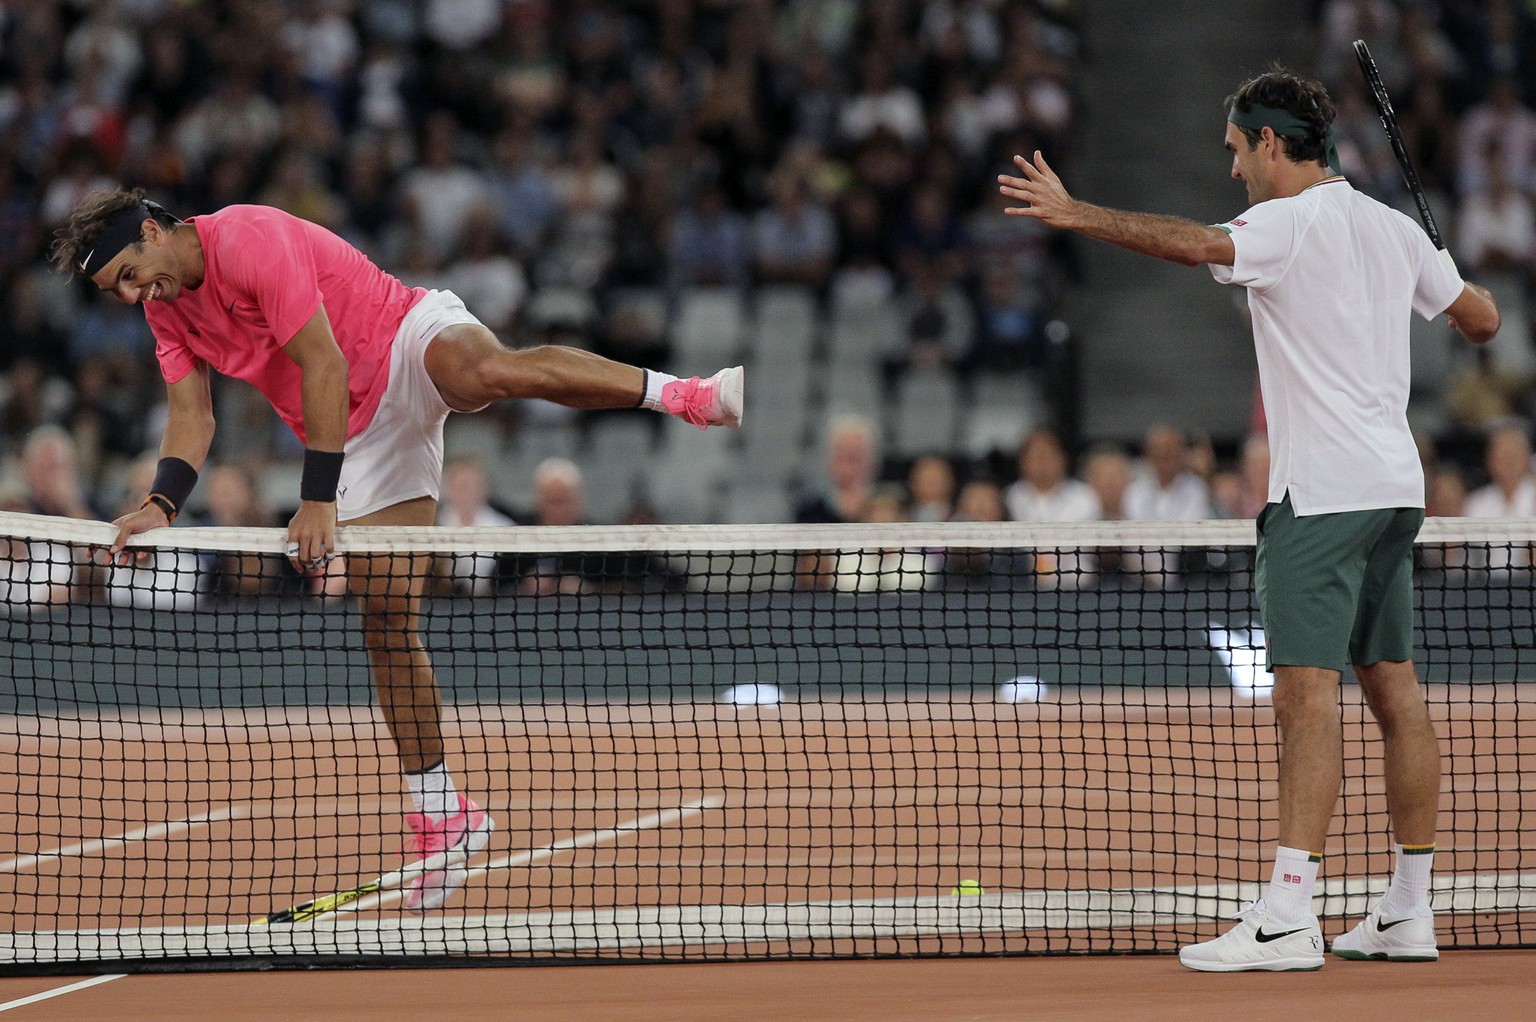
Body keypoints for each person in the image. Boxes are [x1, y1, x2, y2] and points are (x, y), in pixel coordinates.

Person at [52, 188, 745, 914]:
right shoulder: (168, 312)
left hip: (406, 340)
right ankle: (444, 814)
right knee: (386, 621)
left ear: (154, 232)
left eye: (129, 274)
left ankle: (685, 396)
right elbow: (192, 416)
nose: (133, 296)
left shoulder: (250, 239)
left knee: (489, 372)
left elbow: (320, 362)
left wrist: (317, 499)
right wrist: (161, 504)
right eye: (117, 292)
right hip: (361, 435)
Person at [999, 66, 1499, 971]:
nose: (1233, 171)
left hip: (1322, 497)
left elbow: (1195, 247)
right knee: (1395, 692)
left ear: (1271, 143)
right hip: (1395, 492)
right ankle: (1407, 910)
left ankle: (1288, 918)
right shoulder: (1394, 229)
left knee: (1305, 698)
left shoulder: (1284, 221)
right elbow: (1486, 320)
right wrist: (1444, 275)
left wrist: (1079, 216)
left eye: (1236, 150)